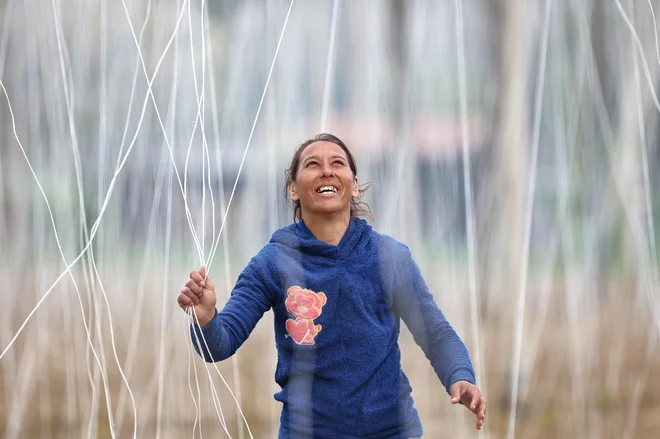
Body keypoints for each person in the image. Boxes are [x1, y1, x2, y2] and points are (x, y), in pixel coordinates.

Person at [177, 133, 487, 439]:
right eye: (313, 164)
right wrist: (205, 317)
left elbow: (435, 332)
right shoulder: (272, 262)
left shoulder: (389, 256)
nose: (327, 170)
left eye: (337, 163)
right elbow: (220, 343)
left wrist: (460, 376)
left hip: (391, 430)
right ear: (293, 189)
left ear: (353, 185)